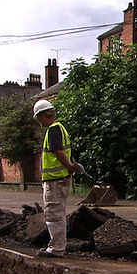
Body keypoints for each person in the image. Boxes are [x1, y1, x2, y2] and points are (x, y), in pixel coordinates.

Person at [33, 99, 83, 258]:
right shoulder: (60, 128)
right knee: (57, 213)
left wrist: (69, 165)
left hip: (55, 180)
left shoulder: (53, 130)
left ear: (43, 115)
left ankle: (56, 249)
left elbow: (58, 151)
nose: (38, 121)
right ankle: (58, 246)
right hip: (59, 179)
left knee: (54, 215)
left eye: (38, 117)